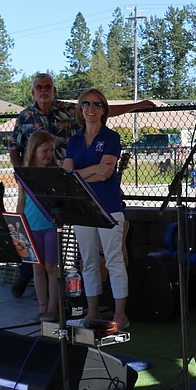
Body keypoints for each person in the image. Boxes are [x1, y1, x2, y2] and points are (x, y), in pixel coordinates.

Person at [6, 72, 154, 298]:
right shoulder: (24, 116)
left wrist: (134, 106)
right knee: (34, 231)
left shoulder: (68, 110)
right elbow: (14, 147)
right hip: (36, 181)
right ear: (33, 91)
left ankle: (67, 291)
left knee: (59, 235)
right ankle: (27, 275)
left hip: (66, 181)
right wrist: (20, 173)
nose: (44, 90)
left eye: (48, 86)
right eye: (39, 87)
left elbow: (97, 111)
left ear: (54, 90)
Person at [62, 87, 129, 330]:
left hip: (109, 207)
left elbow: (106, 173)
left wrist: (77, 174)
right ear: (81, 109)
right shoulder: (75, 140)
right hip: (83, 208)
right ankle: (91, 312)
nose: (91, 109)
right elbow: (68, 176)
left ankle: (120, 314)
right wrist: (91, 170)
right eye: (86, 104)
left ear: (104, 110)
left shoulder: (111, 137)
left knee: (113, 260)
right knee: (88, 261)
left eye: (96, 105)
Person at [18, 130, 62, 322]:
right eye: (45, 150)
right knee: (38, 268)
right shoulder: (25, 174)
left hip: (51, 226)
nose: (49, 155)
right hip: (31, 226)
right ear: (34, 151)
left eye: (52, 150)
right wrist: (19, 225)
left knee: (52, 267)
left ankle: (54, 306)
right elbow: (21, 201)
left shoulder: (55, 172)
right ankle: (42, 306)